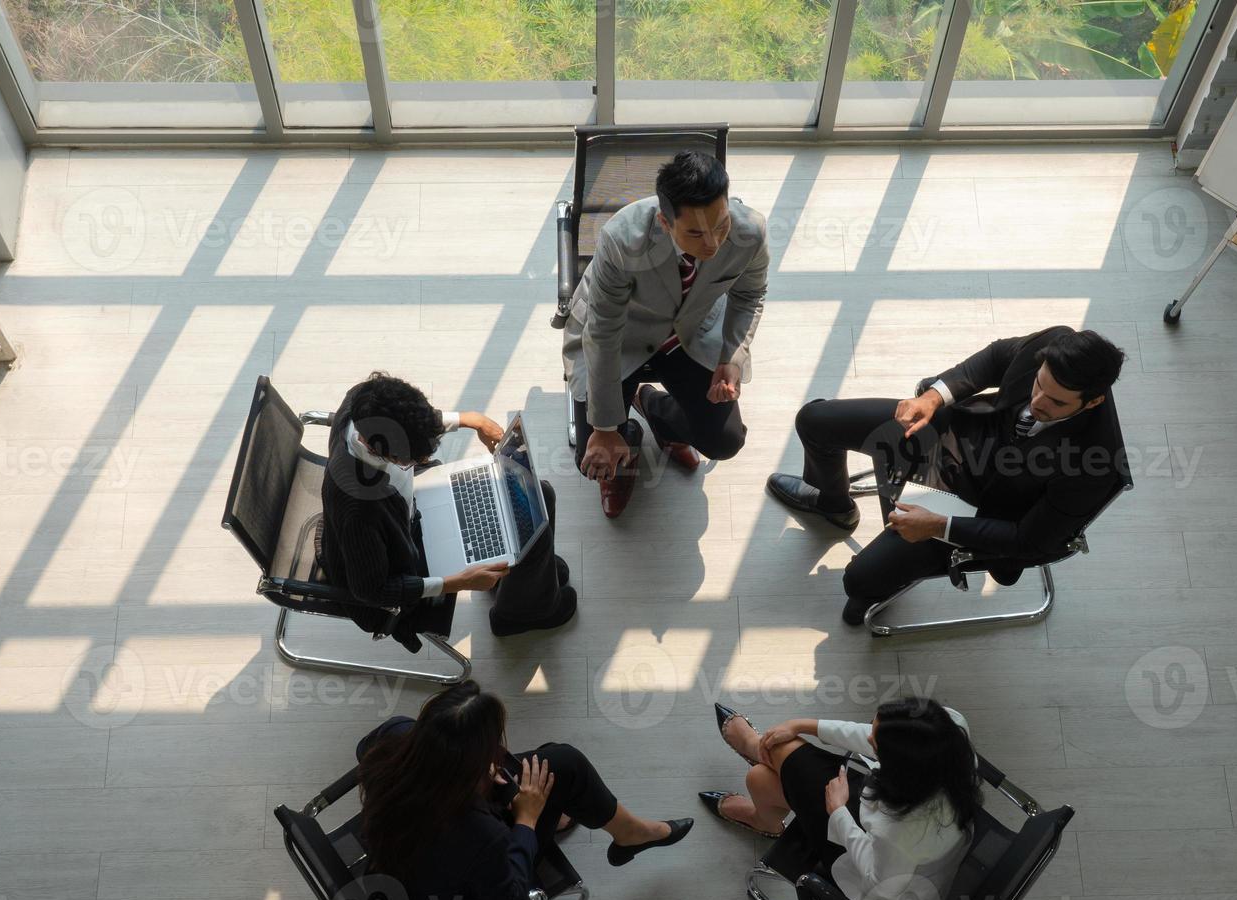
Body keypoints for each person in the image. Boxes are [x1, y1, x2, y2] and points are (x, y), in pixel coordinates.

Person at [766, 327, 1127, 625]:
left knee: (858, 579)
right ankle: (834, 505)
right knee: (815, 421)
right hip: (962, 437)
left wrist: (939, 526)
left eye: (1056, 403)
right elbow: (998, 357)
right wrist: (935, 397)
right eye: (1038, 384)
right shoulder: (1056, 345)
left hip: (986, 512)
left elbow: (1030, 540)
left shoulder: (1094, 464)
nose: (1037, 402)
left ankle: (873, 591)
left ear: (1092, 401)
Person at [357, 682, 694, 900]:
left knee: (559, 762)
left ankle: (626, 832)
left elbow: (366, 748)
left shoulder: (393, 737)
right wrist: (527, 821)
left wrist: (478, 777)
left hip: (399, 851)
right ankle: (627, 834)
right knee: (556, 774)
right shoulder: (483, 835)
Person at [562, 149, 770, 518]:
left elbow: (750, 294)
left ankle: (653, 407)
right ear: (663, 221)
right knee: (591, 453)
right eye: (695, 232)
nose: (713, 244)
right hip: (620, 336)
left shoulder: (750, 230)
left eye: (721, 225)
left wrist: (731, 358)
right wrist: (607, 428)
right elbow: (604, 331)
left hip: (689, 333)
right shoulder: (621, 238)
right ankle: (627, 441)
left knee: (725, 440)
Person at [321, 372, 577, 642]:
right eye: (410, 460)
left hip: (409, 512)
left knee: (536, 496)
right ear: (376, 449)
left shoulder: (362, 402)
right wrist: (459, 582)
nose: (422, 459)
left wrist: (469, 419)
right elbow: (372, 591)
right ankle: (520, 615)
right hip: (402, 564)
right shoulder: (359, 510)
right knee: (531, 527)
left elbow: (410, 418)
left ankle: (530, 583)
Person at [700, 698, 979, 900]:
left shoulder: (902, 834)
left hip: (877, 874)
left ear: (898, 767)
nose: (869, 737)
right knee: (762, 776)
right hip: (889, 808)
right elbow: (881, 738)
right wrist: (802, 725)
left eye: (874, 745)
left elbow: (880, 881)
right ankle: (763, 791)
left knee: (762, 777)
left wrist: (838, 812)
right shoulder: (950, 731)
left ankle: (762, 797)